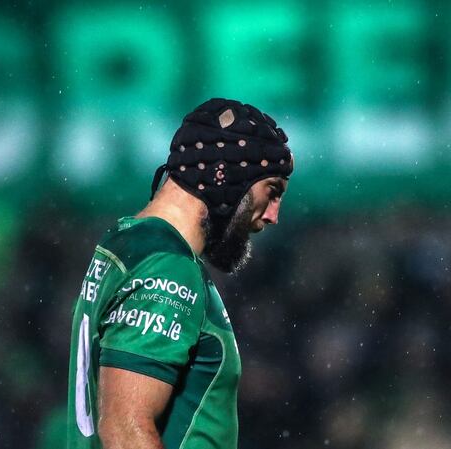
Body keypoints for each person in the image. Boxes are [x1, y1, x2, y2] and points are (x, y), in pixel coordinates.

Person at [66, 98, 294, 449]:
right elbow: (125, 433)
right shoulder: (167, 267)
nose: (273, 216)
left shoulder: (126, 244)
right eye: (272, 191)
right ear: (224, 175)